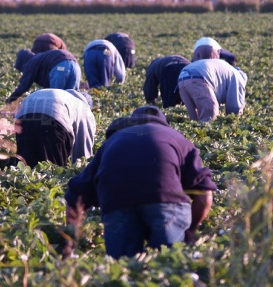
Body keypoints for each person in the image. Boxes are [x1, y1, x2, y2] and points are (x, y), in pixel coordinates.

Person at [64, 106, 216, 259]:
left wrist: (70, 242)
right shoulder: (176, 138)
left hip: (117, 201)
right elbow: (205, 195)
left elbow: (75, 194)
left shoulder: (112, 141)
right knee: (168, 266)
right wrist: (190, 230)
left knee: (124, 269)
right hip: (165, 200)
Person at [15, 89, 96, 167]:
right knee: (52, 168)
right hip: (52, 118)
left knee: (26, 163)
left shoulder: (64, 96)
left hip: (24, 116)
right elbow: (83, 151)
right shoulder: (84, 108)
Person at [178, 37, 247, 122]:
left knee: (194, 119)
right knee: (210, 116)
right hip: (199, 77)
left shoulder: (226, 69)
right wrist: (233, 121)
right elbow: (235, 106)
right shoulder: (237, 76)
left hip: (182, 76)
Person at [6, 49, 81, 104]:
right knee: (72, 98)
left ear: (22, 61)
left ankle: (53, 123)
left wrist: (10, 100)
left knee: (55, 99)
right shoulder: (39, 58)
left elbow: (24, 86)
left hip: (60, 66)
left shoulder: (31, 62)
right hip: (75, 66)